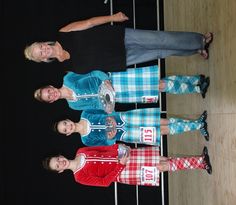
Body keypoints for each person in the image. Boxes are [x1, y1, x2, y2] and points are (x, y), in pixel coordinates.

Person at [24, 12, 213, 73]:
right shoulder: (67, 67)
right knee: (160, 52)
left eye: (40, 47)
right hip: (119, 61)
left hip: (118, 37)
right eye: (40, 53)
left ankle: (200, 40)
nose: (44, 50)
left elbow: (89, 23)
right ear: (42, 59)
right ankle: (196, 49)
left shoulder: (63, 33)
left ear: (42, 42)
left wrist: (113, 17)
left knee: (160, 39)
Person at [33, 65, 210, 112]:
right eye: (49, 97)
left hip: (114, 80)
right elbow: (96, 106)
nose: (52, 93)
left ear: (50, 86)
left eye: (49, 91)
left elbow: (93, 71)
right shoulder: (72, 105)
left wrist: (106, 81)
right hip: (117, 97)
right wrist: (108, 107)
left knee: (157, 83)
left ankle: (195, 80)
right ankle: (195, 88)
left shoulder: (68, 77)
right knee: (157, 89)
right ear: (52, 101)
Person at [42, 144, 212, 187]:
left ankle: (199, 160)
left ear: (61, 156)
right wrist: (119, 166)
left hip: (124, 156)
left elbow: (104, 148)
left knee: (162, 158)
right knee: (162, 167)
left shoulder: (81, 150)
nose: (61, 162)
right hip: (122, 172)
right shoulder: (79, 177)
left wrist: (120, 148)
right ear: (61, 170)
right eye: (58, 166)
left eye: (58, 160)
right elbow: (104, 182)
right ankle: (200, 164)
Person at [54, 109, 209, 146]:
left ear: (68, 120)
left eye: (65, 124)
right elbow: (107, 143)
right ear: (67, 134)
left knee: (159, 120)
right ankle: (197, 126)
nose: (68, 127)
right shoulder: (86, 140)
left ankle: (196, 122)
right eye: (65, 129)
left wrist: (110, 118)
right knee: (159, 132)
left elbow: (105, 109)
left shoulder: (85, 113)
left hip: (123, 117)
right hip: (125, 134)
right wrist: (110, 135)